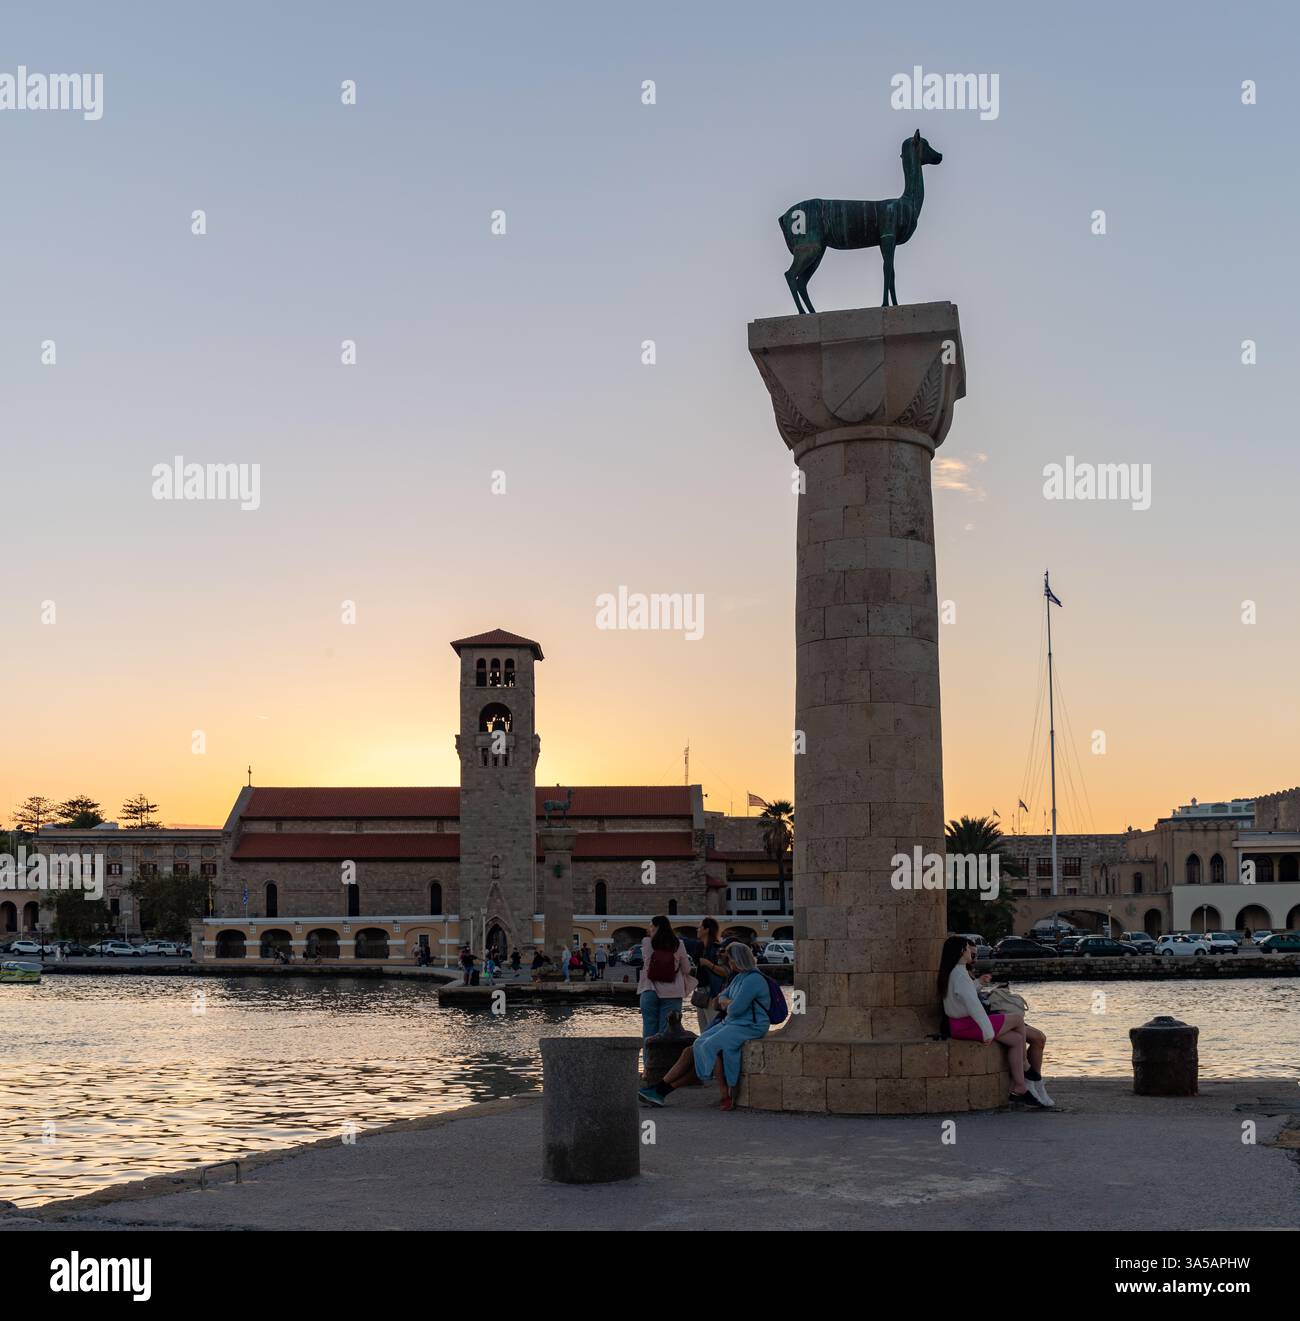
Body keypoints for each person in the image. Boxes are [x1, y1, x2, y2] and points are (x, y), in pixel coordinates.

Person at [639, 941, 770, 1111]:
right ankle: (659, 1091)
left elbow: (736, 1009)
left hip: (750, 1025)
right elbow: (719, 1000)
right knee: (694, 1048)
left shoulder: (753, 980)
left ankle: (724, 1092)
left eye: (731, 960)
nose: (729, 964)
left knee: (707, 1045)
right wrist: (727, 1002)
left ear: (739, 960)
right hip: (734, 1022)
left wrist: (727, 1002)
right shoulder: (739, 978)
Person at [940, 935, 1048, 1107]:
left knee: (1017, 1039)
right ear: (962, 951)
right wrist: (987, 1031)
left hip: (960, 1024)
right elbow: (973, 1005)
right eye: (968, 950)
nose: (971, 953)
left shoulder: (954, 972)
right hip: (967, 1025)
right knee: (1018, 1019)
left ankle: (1020, 1088)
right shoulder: (959, 975)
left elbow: (962, 996)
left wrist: (977, 984)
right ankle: (1025, 1067)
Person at [637, 915, 698, 1061]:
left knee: (649, 1034)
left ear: (657, 927)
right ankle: (663, 1071)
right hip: (672, 993)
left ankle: (648, 1069)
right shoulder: (678, 944)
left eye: (651, 926)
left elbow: (647, 964)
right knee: (667, 1034)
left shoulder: (646, 942)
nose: (649, 929)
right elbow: (686, 969)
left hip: (649, 990)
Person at [693, 917, 728, 1033]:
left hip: (712, 992)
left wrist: (708, 964)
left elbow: (725, 972)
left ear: (706, 930)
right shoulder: (700, 948)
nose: (697, 930)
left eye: (700, 927)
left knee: (713, 1028)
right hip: (701, 992)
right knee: (703, 1030)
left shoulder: (717, 948)